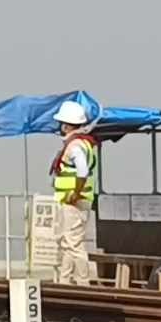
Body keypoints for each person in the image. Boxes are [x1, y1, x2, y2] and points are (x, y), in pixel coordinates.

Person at [51, 100, 100, 285]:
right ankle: (64, 281)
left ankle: (83, 284)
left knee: (74, 244)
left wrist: (75, 193)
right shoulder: (86, 143)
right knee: (68, 242)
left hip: (74, 200)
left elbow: (82, 171)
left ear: (66, 124)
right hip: (75, 200)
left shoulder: (75, 146)